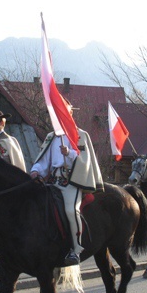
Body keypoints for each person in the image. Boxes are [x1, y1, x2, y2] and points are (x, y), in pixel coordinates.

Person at [29, 100, 103, 266]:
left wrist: (69, 153)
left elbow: (84, 161)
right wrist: (36, 171)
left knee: (71, 210)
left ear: (70, 114)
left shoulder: (80, 135)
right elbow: (43, 160)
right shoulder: (51, 137)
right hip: (52, 181)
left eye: (62, 113)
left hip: (72, 181)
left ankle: (76, 249)